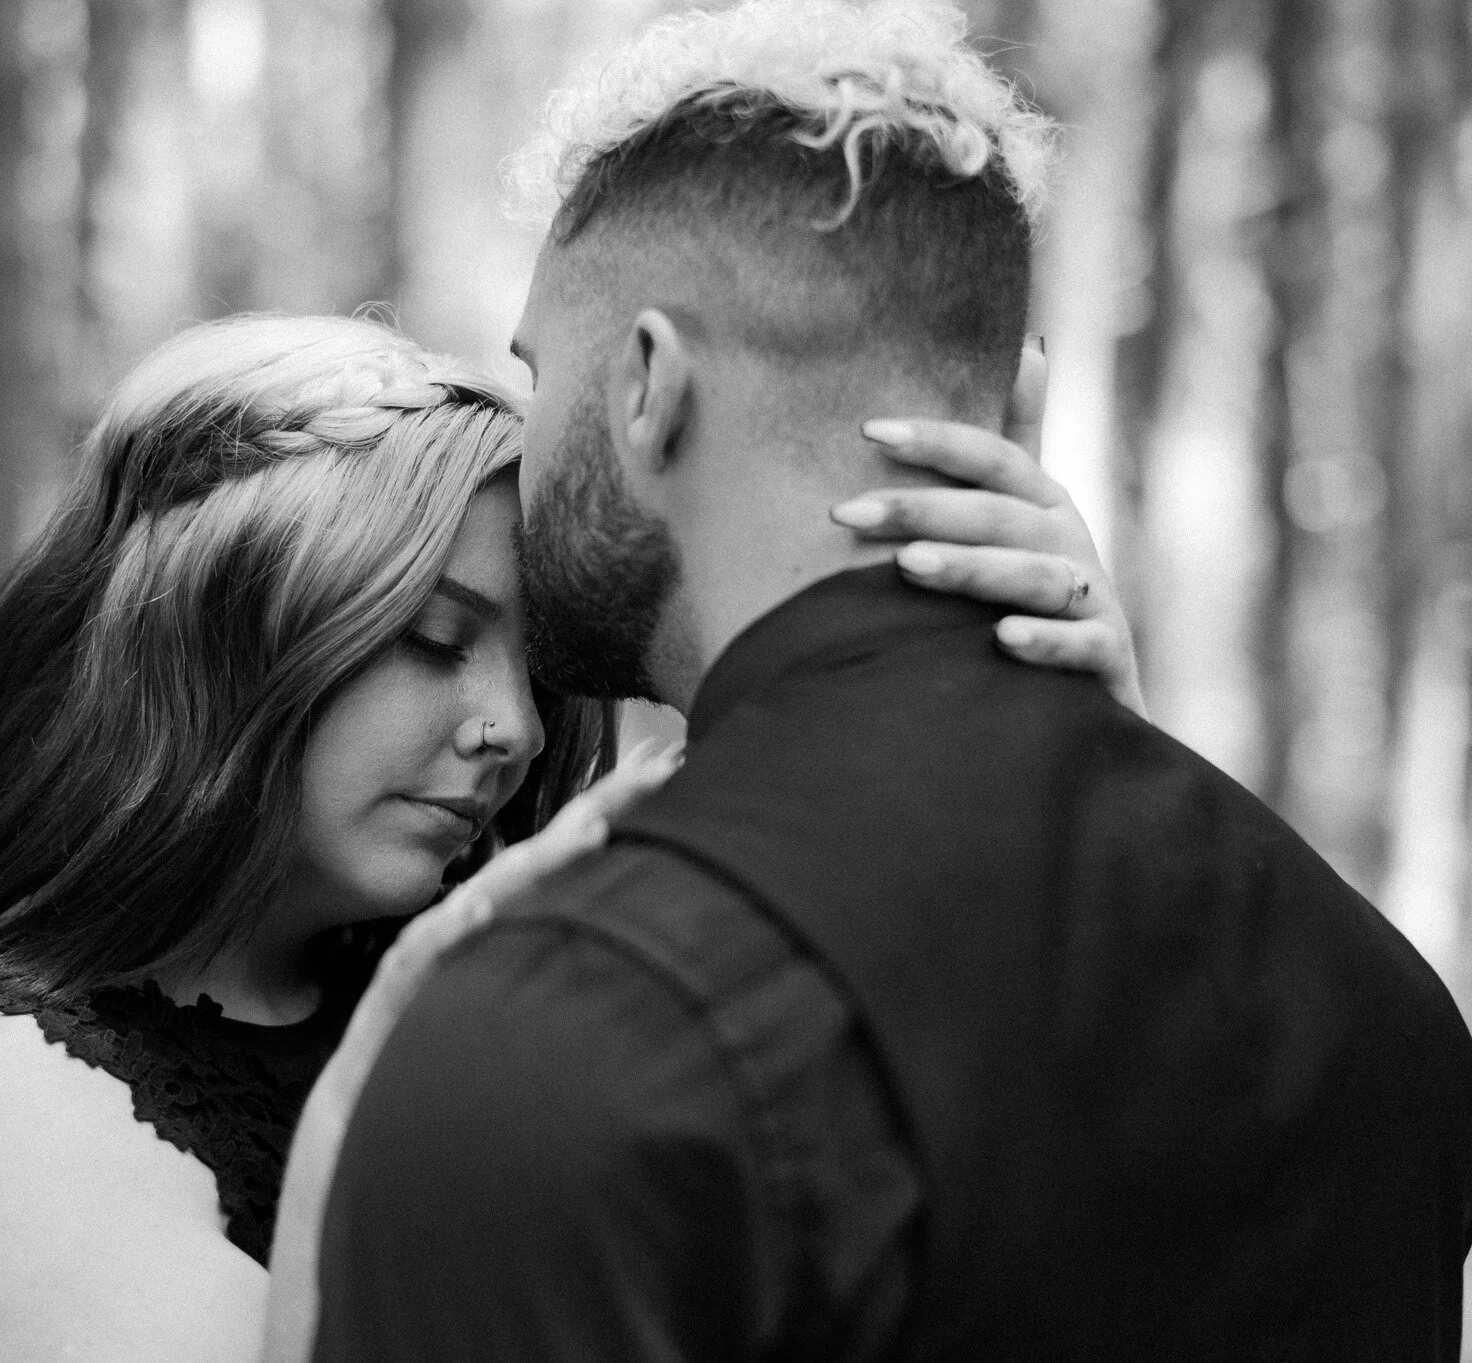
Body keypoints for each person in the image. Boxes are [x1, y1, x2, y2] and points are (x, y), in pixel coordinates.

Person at [287, 3, 1472, 1360]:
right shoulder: (1375, 996)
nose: (522, 443)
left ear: (647, 384)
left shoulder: (578, 1021)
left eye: (539, 371)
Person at [0, 305, 1136, 1362]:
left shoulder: (504, 1025)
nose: (515, 731)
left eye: (535, 677)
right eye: (434, 641)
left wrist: (1064, 770)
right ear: (223, 635)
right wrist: (434, 1012)